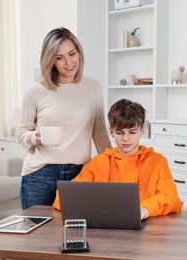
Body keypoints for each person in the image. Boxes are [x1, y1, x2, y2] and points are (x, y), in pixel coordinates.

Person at [16, 27, 111, 210]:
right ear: (51, 60)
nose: (69, 62)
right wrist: (32, 137)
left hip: (79, 173)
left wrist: (114, 166)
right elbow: (21, 132)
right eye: (59, 57)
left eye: (72, 54)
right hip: (39, 173)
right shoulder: (35, 90)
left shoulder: (93, 87)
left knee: (76, 233)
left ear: (79, 53)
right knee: (37, 235)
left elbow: (99, 134)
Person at [53, 99, 182, 220]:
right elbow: (64, 197)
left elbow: (171, 198)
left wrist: (145, 208)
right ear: (111, 132)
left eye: (132, 132)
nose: (126, 139)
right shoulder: (99, 162)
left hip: (148, 226)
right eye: (120, 133)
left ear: (142, 131)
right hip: (105, 225)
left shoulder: (158, 161)